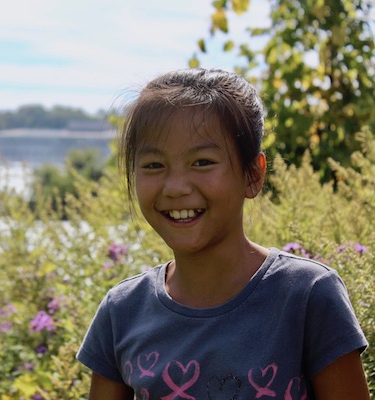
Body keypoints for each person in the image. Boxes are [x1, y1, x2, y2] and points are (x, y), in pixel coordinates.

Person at [76, 68, 369, 399]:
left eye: (202, 162)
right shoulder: (122, 312)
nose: (175, 188)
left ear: (253, 175)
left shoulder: (307, 297)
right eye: (154, 166)